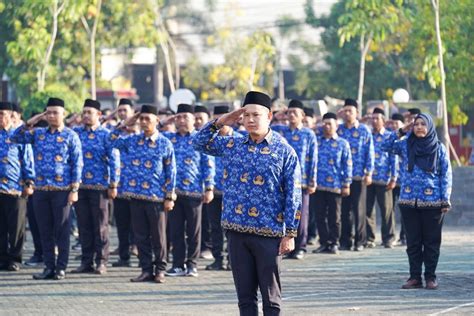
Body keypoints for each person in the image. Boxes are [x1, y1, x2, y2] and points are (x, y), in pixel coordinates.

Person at [193, 91, 302, 316]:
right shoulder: (232, 144)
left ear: (269, 116)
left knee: (271, 298)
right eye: (246, 115)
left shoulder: (284, 151)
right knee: (245, 298)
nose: (250, 120)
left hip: (269, 232)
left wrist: (290, 233)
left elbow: (293, 194)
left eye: (256, 115)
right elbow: (198, 143)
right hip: (236, 230)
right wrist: (221, 121)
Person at [12, 97, 83, 280]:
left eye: (55, 112)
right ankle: (49, 267)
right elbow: (15, 137)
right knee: (45, 230)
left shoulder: (70, 136)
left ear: (63, 114)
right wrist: (33, 120)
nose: (52, 116)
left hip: (62, 190)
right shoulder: (39, 134)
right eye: (48, 112)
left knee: (62, 230)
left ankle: (61, 268)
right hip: (41, 190)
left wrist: (74, 189)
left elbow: (77, 164)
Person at [382, 113, 452, 290]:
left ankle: (430, 277)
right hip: (408, 201)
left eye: (423, 124)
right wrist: (402, 130)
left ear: (429, 127)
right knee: (413, 242)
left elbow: (446, 175)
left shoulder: (439, 148)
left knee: (431, 242)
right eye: (416, 124)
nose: (419, 127)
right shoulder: (406, 144)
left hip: (433, 202)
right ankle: (414, 277)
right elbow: (384, 145)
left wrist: (445, 199)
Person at [111, 105, 177, 283]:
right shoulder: (133, 140)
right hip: (136, 195)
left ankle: (160, 269)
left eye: (148, 118)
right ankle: (146, 269)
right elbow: (110, 140)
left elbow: (171, 171)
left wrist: (169, 196)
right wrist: (126, 123)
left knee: (158, 236)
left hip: (156, 197)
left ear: (157, 120)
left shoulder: (164, 143)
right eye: (142, 119)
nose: (144, 122)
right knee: (140, 236)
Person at [163, 104, 215, 278]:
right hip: (173, 192)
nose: (182, 120)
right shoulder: (169, 138)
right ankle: (178, 264)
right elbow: (149, 130)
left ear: (193, 119)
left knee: (194, 231)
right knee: (175, 230)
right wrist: (166, 121)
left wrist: (209, 188)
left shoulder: (200, 139)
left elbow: (208, 165)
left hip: (194, 191)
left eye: (186, 117)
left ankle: (192, 264)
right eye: (179, 117)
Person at [70, 99, 120, 275]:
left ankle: (101, 261)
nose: (85, 116)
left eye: (89, 112)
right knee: (84, 226)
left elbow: (115, 161)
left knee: (100, 226)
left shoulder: (106, 135)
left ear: (99, 115)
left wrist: (113, 184)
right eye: (83, 113)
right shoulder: (75, 133)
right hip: (80, 186)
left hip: (100, 186)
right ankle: (86, 261)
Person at [272, 99, 317, 260]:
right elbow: (264, 123)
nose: (291, 115)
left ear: (302, 115)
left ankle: (300, 247)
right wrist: (277, 114)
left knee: (301, 215)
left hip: (302, 181)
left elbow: (313, 158)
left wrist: (312, 180)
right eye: (289, 112)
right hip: (280, 180)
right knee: (281, 215)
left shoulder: (308, 134)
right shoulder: (279, 130)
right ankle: (284, 247)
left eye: (295, 113)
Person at [205, 105, 243, 271]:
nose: (222, 123)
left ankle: (232, 259)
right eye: (219, 120)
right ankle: (218, 258)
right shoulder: (209, 142)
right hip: (215, 191)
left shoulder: (241, 140)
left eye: (225, 119)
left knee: (232, 227)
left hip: (233, 193)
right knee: (215, 227)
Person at [0, 102, 35, 271]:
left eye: (2, 114)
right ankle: (2, 257)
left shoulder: (19, 135)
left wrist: (29, 182)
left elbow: (28, 159)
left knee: (16, 226)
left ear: (10, 116)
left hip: (15, 187)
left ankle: (15, 258)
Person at [312, 112, 352, 255]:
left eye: (330, 124)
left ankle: (334, 242)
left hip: (335, 185)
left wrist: (346, 183)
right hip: (318, 185)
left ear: (336, 126)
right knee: (319, 216)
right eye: (324, 123)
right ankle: (324, 243)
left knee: (335, 217)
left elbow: (347, 165)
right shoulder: (316, 141)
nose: (326, 126)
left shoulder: (342, 144)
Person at [337, 98, 374, 251]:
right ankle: (345, 241)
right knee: (344, 211)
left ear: (357, 113)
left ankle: (360, 241)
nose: (347, 113)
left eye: (350, 111)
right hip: (341, 177)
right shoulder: (338, 130)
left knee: (359, 210)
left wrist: (369, 173)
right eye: (345, 111)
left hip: (359, 175)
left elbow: (369, 152)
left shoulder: (364, 130)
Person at [365, 108, 398, 249]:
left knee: (387, 210)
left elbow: (394, 157)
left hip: (384, 178)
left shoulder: (390, 136)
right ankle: (369, 238)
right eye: (372, 118)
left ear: (384, 120)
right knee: (367, 210)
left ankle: (388, 238)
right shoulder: (367, 135)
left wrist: (394, 177)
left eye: (377, 118)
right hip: (368, 179)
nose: (374, 121)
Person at [194, 104, 213, 259]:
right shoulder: (195, 139)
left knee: (209, 221)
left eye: (202, 118)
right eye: (196, 118)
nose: (198, 121)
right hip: (193, 187)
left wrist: (209, 187)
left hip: (215, 187)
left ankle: (208, 247)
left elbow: (208, 165)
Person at [389, 113, 406, 245]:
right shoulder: (390, 139)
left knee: (405, 211)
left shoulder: (408, 140)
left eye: (397, 124)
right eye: (393, 123)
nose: (394, 126)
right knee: (390, 210)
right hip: (392, 182)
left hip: (405, 182)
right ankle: (391, 236)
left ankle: (404, 236)